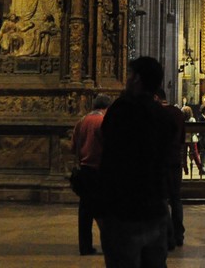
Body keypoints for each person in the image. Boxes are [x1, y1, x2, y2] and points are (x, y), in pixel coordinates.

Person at [96, 57, 177, 267]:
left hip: (124, 209)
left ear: (137, 79)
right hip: (156, 206)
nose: (127, 79)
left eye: (130, 74)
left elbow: (108, 152)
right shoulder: (165, 117)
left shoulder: (122, 111)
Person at [71, 93, 111, 256]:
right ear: (106, 107)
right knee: (103, 210)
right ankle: (108, 244)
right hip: (98, 169)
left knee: (85, 211)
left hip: (84, 169)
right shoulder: (103, 121)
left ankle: (85, 246)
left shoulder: (82, 121)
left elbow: (73, 146)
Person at [155, 88, 187, 250]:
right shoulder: (178, 113)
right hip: (175, 158)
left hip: (160, 161)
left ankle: (168, 236)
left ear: (156, 97)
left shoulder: (157, 114)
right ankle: (178, 234)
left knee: (162, 199)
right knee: (176, 199)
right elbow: (182, 138)